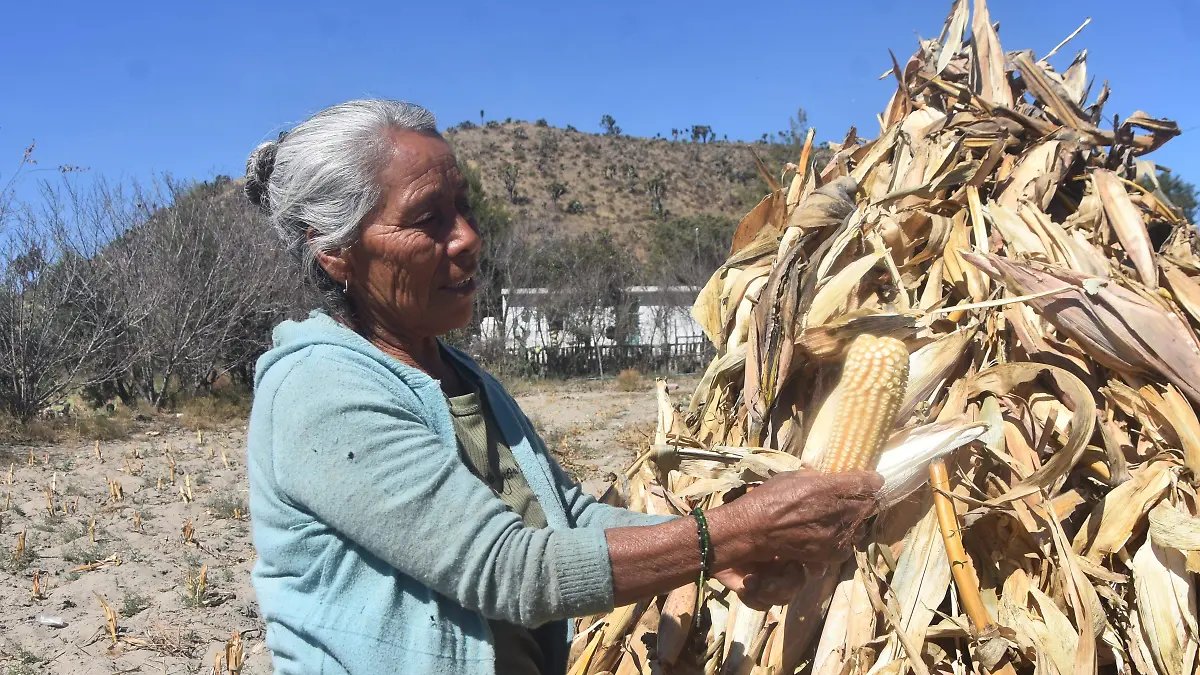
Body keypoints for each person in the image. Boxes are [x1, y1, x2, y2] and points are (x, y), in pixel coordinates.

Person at [243, 99, 882, 675]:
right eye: (427, 220)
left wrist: (723, 549)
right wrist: (731, 533)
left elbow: (564, 518)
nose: (466, 238)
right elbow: (508, 569)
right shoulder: (320, 388)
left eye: (463, 207)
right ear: (334, 249)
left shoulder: (465, 379)